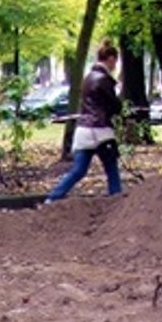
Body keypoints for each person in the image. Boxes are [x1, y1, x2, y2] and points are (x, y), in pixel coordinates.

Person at [43, 40, 123, 203]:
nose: (115, 65)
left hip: (83, 130)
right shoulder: (104, 80)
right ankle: (118, 202)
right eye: (115, 60)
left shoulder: (87, 78)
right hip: (101, 131)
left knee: (78, 170)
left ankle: (52, 198)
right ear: (110, 58)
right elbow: (114, 106)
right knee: (112, 169)